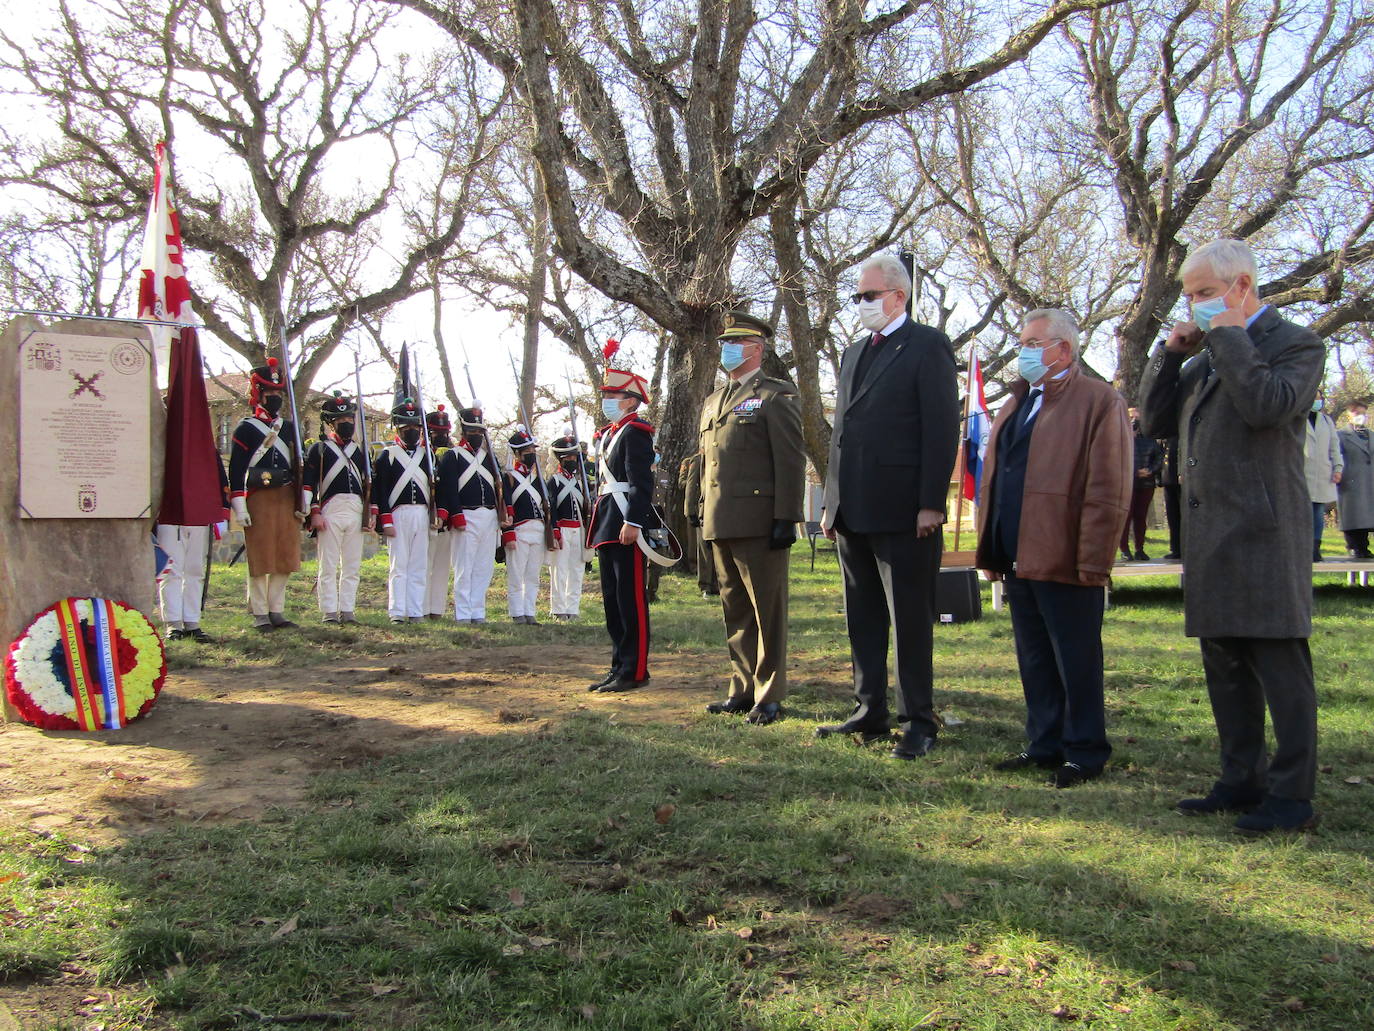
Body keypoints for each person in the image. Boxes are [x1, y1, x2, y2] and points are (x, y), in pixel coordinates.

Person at [1140, 238, 1323, 834]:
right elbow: (1157, 421)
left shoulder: (1294, 343)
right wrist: (1170, 355)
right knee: (1224, 664)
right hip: (1210, 531)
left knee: (1279, 667)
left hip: (1266, 531)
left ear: (1242, 287)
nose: (1192, 305)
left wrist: (1227, 335)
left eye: (1204, 294)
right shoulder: (1207, 354)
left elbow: (1268, 405)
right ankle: (1239, 778)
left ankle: (1292, 796)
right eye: (1189, 295)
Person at [976, 309, 1133, 787]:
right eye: (1022, 343)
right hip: (1017, 552)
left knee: (1076, 658)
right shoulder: (1018, 400)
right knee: (1036, 656)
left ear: (1063, 350)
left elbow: (1109, 486)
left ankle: (1085, 749)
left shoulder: (1099, 401)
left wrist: (1093, 559)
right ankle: (1044, 743)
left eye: (1032, 343)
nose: (1022, 352)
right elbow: (997, 474)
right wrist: (991, 546)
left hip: (1065, 555)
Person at [817, 254, 959, 760]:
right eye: (857, 296)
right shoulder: (854, 352)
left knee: (910, 619)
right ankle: (868, 708)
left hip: (904, 511)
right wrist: (831, 503)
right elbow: (841, 434)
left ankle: (918, 719)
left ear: (899, 296)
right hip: (853, 509)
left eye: (869, 295)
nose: (861, 304)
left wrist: (930, 504)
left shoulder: (927, 346)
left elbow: (941, 428)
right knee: (864, 616)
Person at [696, 311, 806, 726]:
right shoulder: (712, 402)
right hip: (721, 520)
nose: (727, 349)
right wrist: (701, 512)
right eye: (725, 342)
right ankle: (741, 689)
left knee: (767, 612)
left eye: (736, 342)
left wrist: (787, 517)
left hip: (760, 522)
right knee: (735, 610)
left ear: (757, 348)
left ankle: (769, 693)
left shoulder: (776, 396)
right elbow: (708, 464)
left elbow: (791, 460)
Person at [586, 362, 662, 693]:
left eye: (614, 395)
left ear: (631, 400)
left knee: (630, 601)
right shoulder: (609, 434)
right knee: (612, 602)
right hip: (606, 522)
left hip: (624, 523)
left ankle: (635, 670)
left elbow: (641, 482)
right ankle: (618, 665)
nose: (608, 400)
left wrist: (633, 521)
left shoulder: (636, 432)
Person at [228, 357, 303, 632]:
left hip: (285, 495)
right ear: (258, 395)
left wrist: (303, 500)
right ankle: (259, 612)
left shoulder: (290, 427)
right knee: (261, 558)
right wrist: (240, 506)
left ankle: (276, 609)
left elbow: (299, 466)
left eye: (278, 394)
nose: (274, 398)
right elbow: (236, 470)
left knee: (285, 556)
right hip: (257, 497)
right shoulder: (247, 428)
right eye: (269, 394)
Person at [302, 391, 370, 624]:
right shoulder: (319, 450)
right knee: (328, 565)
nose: (347, 424)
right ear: (332, 423)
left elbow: (368, 484)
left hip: (356, 508)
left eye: (350, 420)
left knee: (352, 566)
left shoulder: (361, 452)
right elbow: (308, 483)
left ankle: (348, 610)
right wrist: (314, 511)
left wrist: (370, 513)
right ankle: (329, 610)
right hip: (330, 509)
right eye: (341, 421)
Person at [436, 406, 504, 623]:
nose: (476, 435)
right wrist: (456, 515)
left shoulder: (489, 458)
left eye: (479, 431)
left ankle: (478, 611)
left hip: (489, 516)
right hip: (466, 515)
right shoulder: (452, 456)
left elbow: (499, 487)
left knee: (483, 567)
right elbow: (449, 489)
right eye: (472, 431)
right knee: (464, 568)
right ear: (464, 431)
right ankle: (463, 613)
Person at [156, 453, 229, 643]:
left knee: (195, 571)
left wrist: (222, 509)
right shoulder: (166, 442)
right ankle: (173, 623)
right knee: (171, 570)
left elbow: (219, 476)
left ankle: (192, 621)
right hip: (169, 514)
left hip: (199, 514)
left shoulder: (204, 446)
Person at [372, 398, 433, 624]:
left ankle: (415, 610)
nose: (412, 431)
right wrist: (385, 520)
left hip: (422, 514)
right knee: (399, 566)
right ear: (398, 428)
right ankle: (397, 611)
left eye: (416, 427)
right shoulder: (388, 455)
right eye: (407, 427)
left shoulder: (427, 456)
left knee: (419, 565)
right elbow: (380, 490)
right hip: (398, 514)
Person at [502, 427, 553, 625]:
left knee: (532, 576)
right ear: (517, 454)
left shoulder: (537, 478)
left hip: (538, 530)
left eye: (533, 451)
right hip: (520, 530)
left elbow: (546, 507)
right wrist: (508, 533)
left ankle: (529, 612)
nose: (532, 455)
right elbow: (506, 506)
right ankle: (517, 613)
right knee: (516, 575)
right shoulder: (509, 477)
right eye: (527, 452)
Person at [546, 432, 590, 621]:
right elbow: (551, 508)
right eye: (570, 458)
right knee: (560, 570)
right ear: (562, 460)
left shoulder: (580, 482)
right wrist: (555, 531)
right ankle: (558, 608)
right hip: (562, 529)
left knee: (576, 570)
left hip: (578, 530)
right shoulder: (554, 481)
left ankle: (573, 608)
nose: (573, 461)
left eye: (575, 457)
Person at [423, 405, 455, 620]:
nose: (441, 437)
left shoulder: (453, 456)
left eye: (444, 433)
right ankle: (421, 607)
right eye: (436, 433)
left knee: (442, 566)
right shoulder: (421, 456)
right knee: (422, 565)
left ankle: (437, 609)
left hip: (448, 519)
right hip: (423, 517)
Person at [1120, 409, 1163, 562]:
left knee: (1140, 517)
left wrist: (1150, 470)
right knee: (1125, 517)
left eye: (1137, 417)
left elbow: (1159, 457)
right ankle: (1124, 549)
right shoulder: (1119, 436)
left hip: (1146, 484)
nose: (1134, 420)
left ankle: (1140, 549)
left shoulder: (1150, 438)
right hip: (1126, 484)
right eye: (1131, 417)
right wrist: (1132, 472)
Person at [1304, 395, 1342, 562]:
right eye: (1313, 398)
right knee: (1303, 513)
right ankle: (1303, 547)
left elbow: (1334, 446)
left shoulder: (1326, 421)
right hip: (1302, 473)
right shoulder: (1296, 417)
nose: (1316, 401)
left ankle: (1315, 549)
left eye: (1319, 398)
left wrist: (1338, 468)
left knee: (1318, 512)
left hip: (1322, 473)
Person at [1336, 401, 1374, 558]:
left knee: (1367, 514)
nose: (1360, 417)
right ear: (1349, 415)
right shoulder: (1341, 435)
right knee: (1353, 514)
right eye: (1356, 413)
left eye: (1363, 413)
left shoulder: (1371, 435)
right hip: (1350, 480)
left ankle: (1364, 547)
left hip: (1369, 480)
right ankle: (1354, 546)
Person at [1159, 436, 1183, 560]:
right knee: (1172, 517)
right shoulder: (1166, 439)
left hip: (1181, 481)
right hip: (1168, 479)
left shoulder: (1180, 437)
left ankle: (1183, 547)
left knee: (1183, 517)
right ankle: (1175, 548)